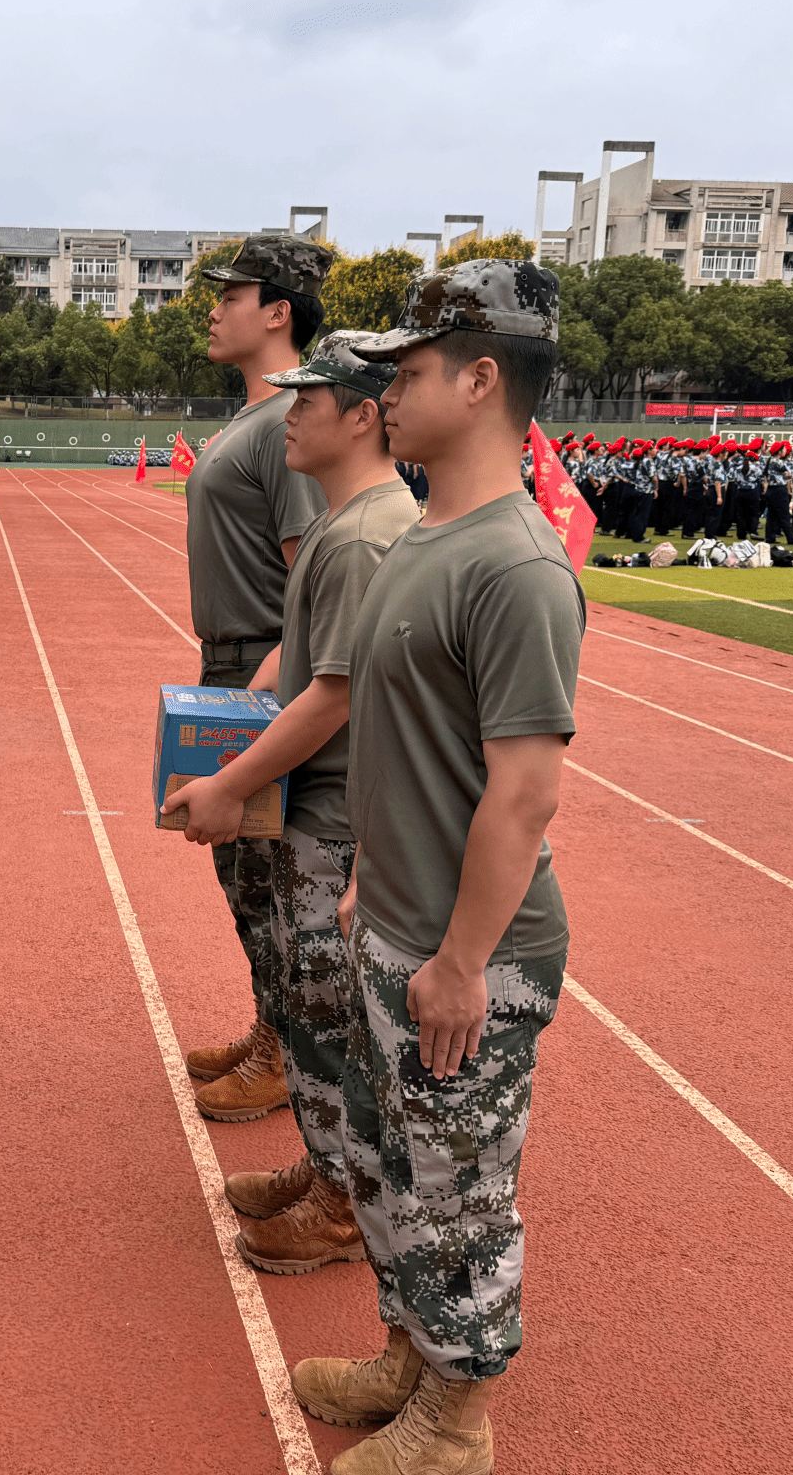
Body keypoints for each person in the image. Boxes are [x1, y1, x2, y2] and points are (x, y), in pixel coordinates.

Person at [291, 261, 582, 1475]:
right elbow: (406, 745)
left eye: (409, 372)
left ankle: (454, 1424)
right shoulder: (427, 534)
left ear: (479, 380)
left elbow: (523, 793)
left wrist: (461, 959)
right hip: (395, 918)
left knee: (459, 1193)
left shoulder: (512, 566)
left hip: (473, 954)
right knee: (396, 1161)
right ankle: (408, 1355)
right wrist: (371, 881)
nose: (388, 390)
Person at [161, 333, 419, 1278]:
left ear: (361, 417)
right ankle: (325, 1174)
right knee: (311, 1008)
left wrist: (229, 782)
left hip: (336, 812)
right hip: (325, 801)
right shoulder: (355, 524)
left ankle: (340, 1203)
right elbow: (309, 671)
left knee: (323, 1015)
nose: (291, 414)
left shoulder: (358, 536)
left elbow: (332, 694)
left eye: (311, 400)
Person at [179, 232, 331, 1123]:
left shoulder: (286, 423)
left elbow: (311, 577)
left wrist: (256, 695)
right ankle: (269, 1026)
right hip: (235, 658)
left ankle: (283, 1053)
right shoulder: (254, 416)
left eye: (231, 295)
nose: (214, 307)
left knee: (265, 869)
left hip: (266, 663)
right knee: (242, 868)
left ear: (277, 311)